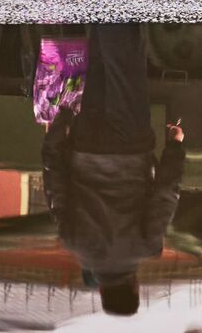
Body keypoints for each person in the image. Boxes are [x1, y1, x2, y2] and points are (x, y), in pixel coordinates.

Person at [43, 24, 185, 316]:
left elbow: (166, 195)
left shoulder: (146, 247)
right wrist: (57, 133)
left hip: (130, 144)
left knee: (125, 62)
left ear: (135, 287)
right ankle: (99, 1)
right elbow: (54, 183)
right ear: (102, 289)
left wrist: (175, 147)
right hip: (86, 142)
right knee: (97, 63)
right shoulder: (74, 244)